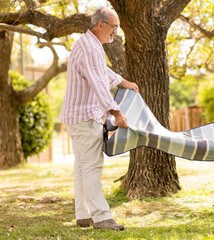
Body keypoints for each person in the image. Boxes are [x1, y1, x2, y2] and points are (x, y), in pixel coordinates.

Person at [59, 7, 139, 230]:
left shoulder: (90, 45)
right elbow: (97, 82)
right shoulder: (89, 47)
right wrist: (117, 112)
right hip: (84, 117)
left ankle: (83, 214)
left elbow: (102, 72)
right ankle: (102, 217)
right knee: (92, 166)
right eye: (114, 27)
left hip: (78, 116)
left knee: (83, 166)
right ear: (101, 24)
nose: (115, 32)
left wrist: (123, 82)